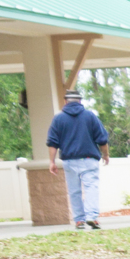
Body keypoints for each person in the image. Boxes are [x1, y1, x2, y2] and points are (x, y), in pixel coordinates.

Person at [46, 88, 110, 230]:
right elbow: (102, 139)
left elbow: (52, 142)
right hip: (89, 159)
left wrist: (52, 161)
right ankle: (91, 217)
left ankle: (79, 220)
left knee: (74, 190)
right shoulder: (90, 116)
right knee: (91, 187)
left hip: (69, 160)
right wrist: (105, 154)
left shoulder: (58, 118)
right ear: (80, 101)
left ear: (65, 101)